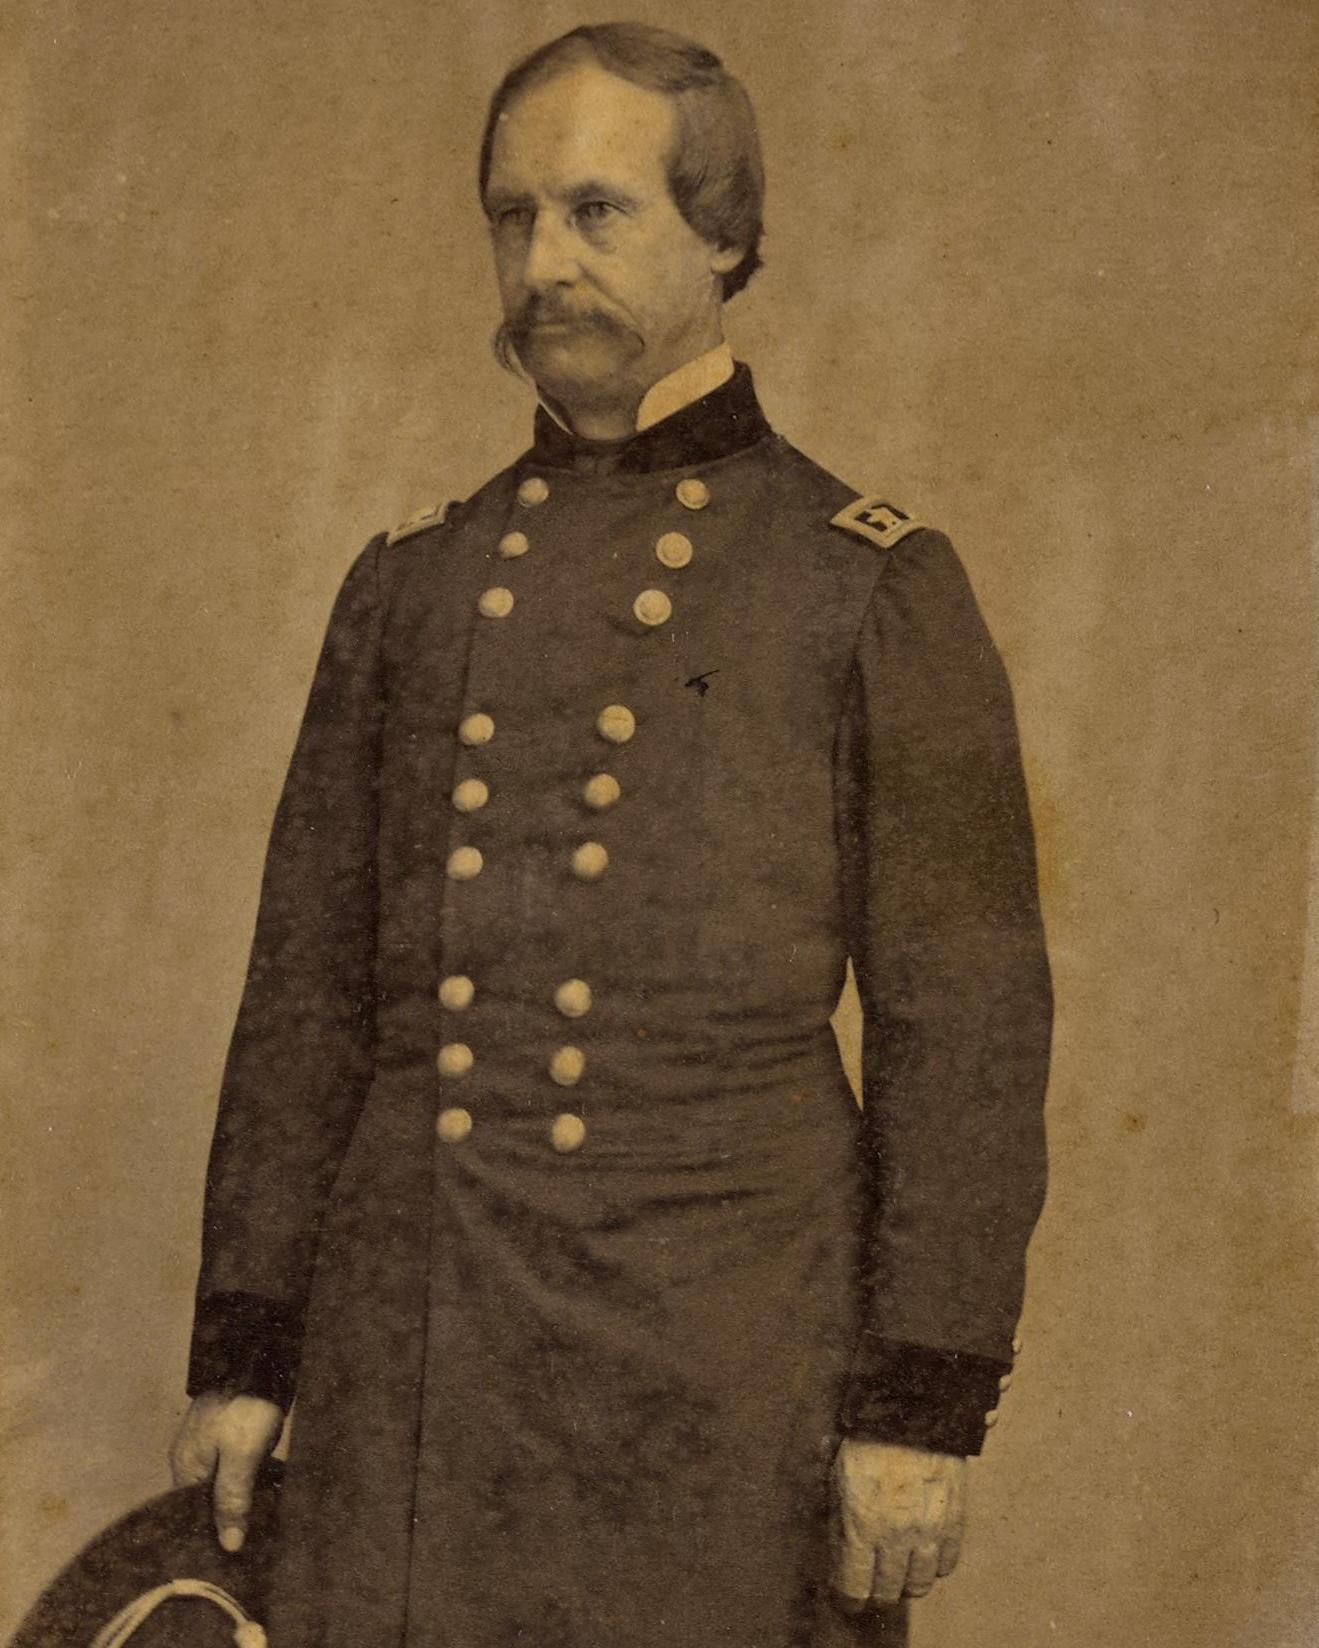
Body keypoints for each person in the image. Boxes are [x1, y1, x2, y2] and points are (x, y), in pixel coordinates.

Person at [168, 23, 1052, 1648]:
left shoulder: (865, 581)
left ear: (725, 237)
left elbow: (968, 1028)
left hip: (719, 1368)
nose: (542, 262)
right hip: (412, 1360)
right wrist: (247, 1356)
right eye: (513, 218)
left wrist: (922, 1403)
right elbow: (302, 1006)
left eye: (597, 212)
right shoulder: (412, 585)